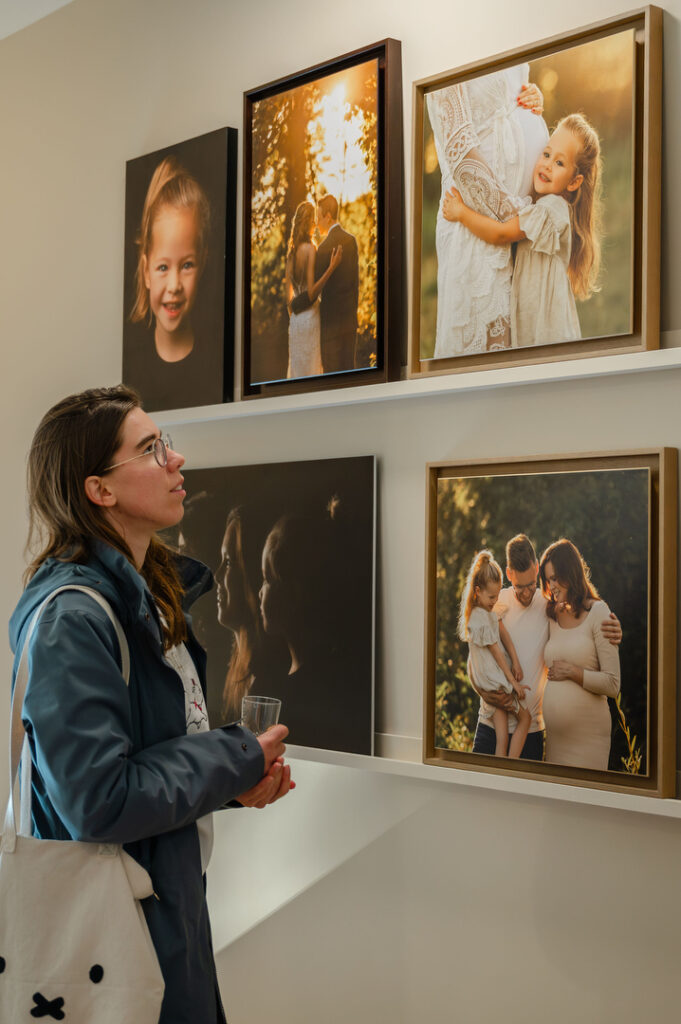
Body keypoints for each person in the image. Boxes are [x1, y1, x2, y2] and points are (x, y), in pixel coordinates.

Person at [9, 385, 293, 1024]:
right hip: (114, 939)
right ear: (99, 490)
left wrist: (233, 781)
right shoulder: (73, 622)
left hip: (161, 916)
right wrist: (233, 754)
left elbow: (144, 760)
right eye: (151, 448)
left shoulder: (145, 598)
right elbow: (97, 799)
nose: (177, 458)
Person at [443, 113, 602, 347]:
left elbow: (501, 234)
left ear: (573, 182)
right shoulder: (542, 206)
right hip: (536, 325)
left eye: (559, 163)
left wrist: (462, 213)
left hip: (549, 330)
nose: (547, 164)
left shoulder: (553, 209)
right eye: (546, 154)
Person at [426, 65, 548, 355]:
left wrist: (533, 99)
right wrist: (520, 220)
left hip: (520, 231)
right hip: (478, 232)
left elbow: (510, 105)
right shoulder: (448, 53)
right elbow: (459, 148)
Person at [471, 534, 621, 761]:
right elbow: (474, 659)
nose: (527, 593)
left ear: (536, 568)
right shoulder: (495, 602)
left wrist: (615, 628)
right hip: (490, 725)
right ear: (509, 574)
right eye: (520, 586)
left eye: (532, 584)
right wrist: (482, 691)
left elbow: (583, 618)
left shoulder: (549, 606)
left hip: (531, 733)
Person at [125, 156, 212, 409]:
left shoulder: (210, 366)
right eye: (162, 267)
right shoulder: (133, 372)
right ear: (146, 272)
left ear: (203, 263)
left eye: (186, 265)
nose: (174, 285)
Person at [539, 538, 620, 770]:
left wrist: (573, 672)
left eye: (555, 578)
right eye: (547, 579)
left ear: (570, 573)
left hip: (589, 741)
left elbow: (613, 684)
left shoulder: (599, 612)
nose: (551, 585)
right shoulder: (551, 615)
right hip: (555, 743)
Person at [458, 550, 531, 758]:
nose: (495, 600)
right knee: (525, 719)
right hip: (496, 683)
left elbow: (504, 637)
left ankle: (503, 770)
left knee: (502, 739)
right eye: (491, 596)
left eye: (498, 595)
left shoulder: (482, 613)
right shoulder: (481, 618)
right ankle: (512, 767)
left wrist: (516, 662)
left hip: (491, 683)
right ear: (477, 591)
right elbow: (497, 653)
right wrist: (514, 684)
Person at [285, 200, 342, 379]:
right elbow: (311, 293)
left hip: (294, 323)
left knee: (297, 373)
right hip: (310, 319)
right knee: (312, 372)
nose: (315, 224)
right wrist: (331, 267)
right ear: (308, 222)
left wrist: (296, 319)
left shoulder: (290, 254)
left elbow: (288, 301)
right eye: (313, 220)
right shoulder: (310, 249)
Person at [315, 193, 360, 373]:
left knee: (332, 381)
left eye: (319, 218)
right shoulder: (351, 241)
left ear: (328, 217)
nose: (317, 223)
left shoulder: (323, 248)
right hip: (349, 322)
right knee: (349, 374)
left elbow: (317, 288)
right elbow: (355, 285)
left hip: (330, 328)